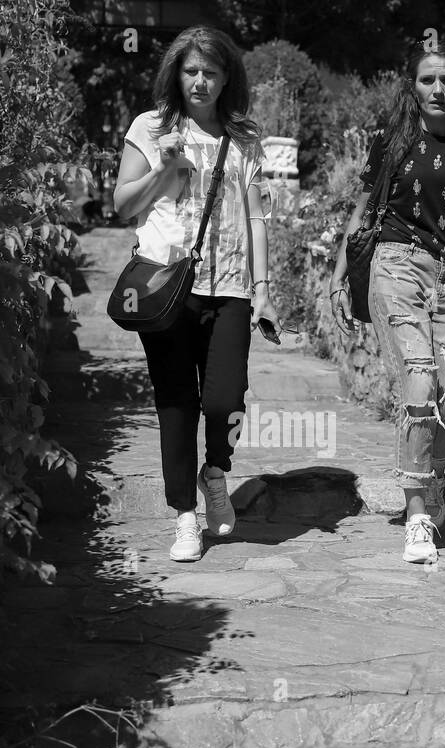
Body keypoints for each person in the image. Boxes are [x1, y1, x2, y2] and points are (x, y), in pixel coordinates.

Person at [328, 40, 445, 564]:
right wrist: (340, 275)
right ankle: (417, 513)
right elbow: (363, 209)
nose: (437, 89)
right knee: (420, 379)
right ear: (414, 86)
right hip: (396, 264)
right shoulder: (396, 140)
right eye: (427, 79)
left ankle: (429, 475)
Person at [113, 26, 281, 562]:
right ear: (176, 74)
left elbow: (256, 218)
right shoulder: (152, 127)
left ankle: (216, 472)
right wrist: (165, 165)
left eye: (211, 71)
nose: (201, 81)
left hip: (230, 287)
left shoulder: (244, 137)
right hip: (167, 283)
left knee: (226, 398)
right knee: (176, 404)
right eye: (191, 71)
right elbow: (122, 205)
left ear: (227, 76)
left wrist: (264, 291)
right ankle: (185, 515)